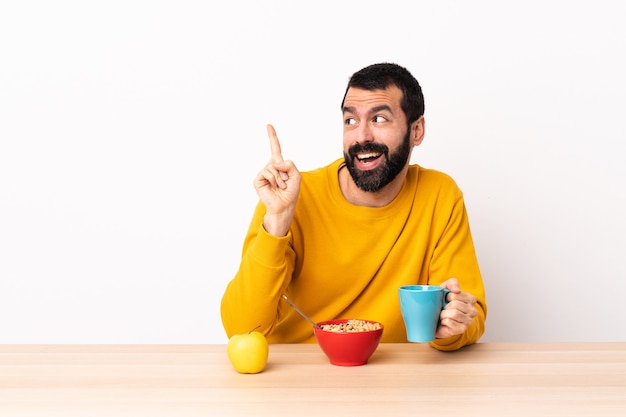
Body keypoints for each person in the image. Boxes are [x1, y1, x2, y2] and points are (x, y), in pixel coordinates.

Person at [221, 62, 486, 351]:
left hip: (391, 379)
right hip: (295, 378)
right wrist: (277, 220)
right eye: (350, 121)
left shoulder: (439, 195)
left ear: (417, 130)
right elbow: (242, 328)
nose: (361, 136)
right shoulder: (289, 198)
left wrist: (453, 326)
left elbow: (469, 313)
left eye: (380, 119)